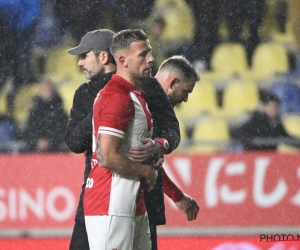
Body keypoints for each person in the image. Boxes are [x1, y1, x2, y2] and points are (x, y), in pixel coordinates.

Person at [65, 29, 199, 250]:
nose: (80, 63)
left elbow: (171, 131)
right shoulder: (96, 94)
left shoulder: (145, 87)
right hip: (106, 194)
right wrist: (103, 108)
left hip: (142, 197)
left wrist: (160, 145)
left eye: (84, 55)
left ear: (104, 57)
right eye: (144, 54)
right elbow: (77, 144)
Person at [230, 91, 300, 150]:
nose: (274, 109)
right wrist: (251, 143)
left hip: (269, 156)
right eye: (271, 106)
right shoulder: (256, 120)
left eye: (275, 107)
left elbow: (286, 138)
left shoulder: (276, 123)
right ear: (264, 107)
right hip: (258, 156)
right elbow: (239, 133)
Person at [23, 79, 68, 152]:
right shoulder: (34, 110)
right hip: (36, 148)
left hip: (56, 148)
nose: (45, 91)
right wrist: (37, 142)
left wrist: (50, 142)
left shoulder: (59, 110)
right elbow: (28, 132)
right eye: (43, 89)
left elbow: (64, 131)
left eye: (47, 89)